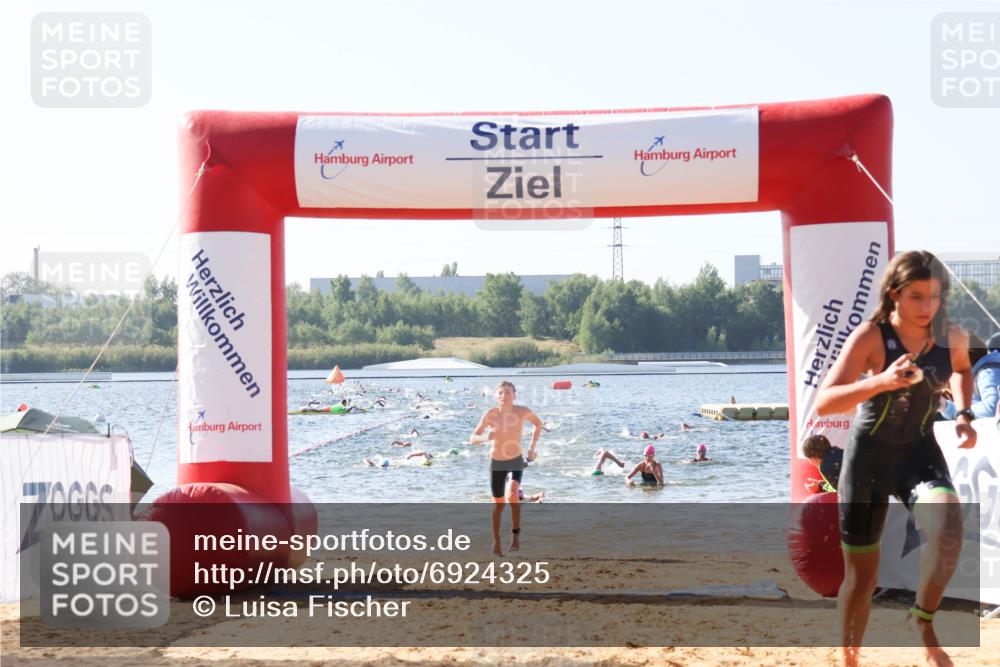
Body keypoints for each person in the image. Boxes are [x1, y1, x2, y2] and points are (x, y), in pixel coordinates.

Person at [815, 250, 976, 667]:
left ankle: (921, 621)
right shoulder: (872, 336)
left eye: (935, 296)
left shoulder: (952, 336)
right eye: (917, 297)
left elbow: (960, 369)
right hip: (867, 457)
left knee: (950, 528)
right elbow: (825, 403)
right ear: (895, 295)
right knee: (862, 578)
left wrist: (962, 414)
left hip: (918, 454)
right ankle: (849, 658)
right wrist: (882, 381)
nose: (928, 307)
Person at [469, 380, 543, 556]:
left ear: (514, 395)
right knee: (498, 505)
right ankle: (496, 540)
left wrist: (532, 448)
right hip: (497, 462)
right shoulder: (490, 414)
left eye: (508, 392)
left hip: (516, 460)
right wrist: (486, 437)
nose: (504, 395)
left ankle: (516, 536)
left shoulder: (522, 411)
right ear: (496, 396)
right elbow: (472, 438)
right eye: (500, 393)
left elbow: (538, 424)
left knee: (512, 495)